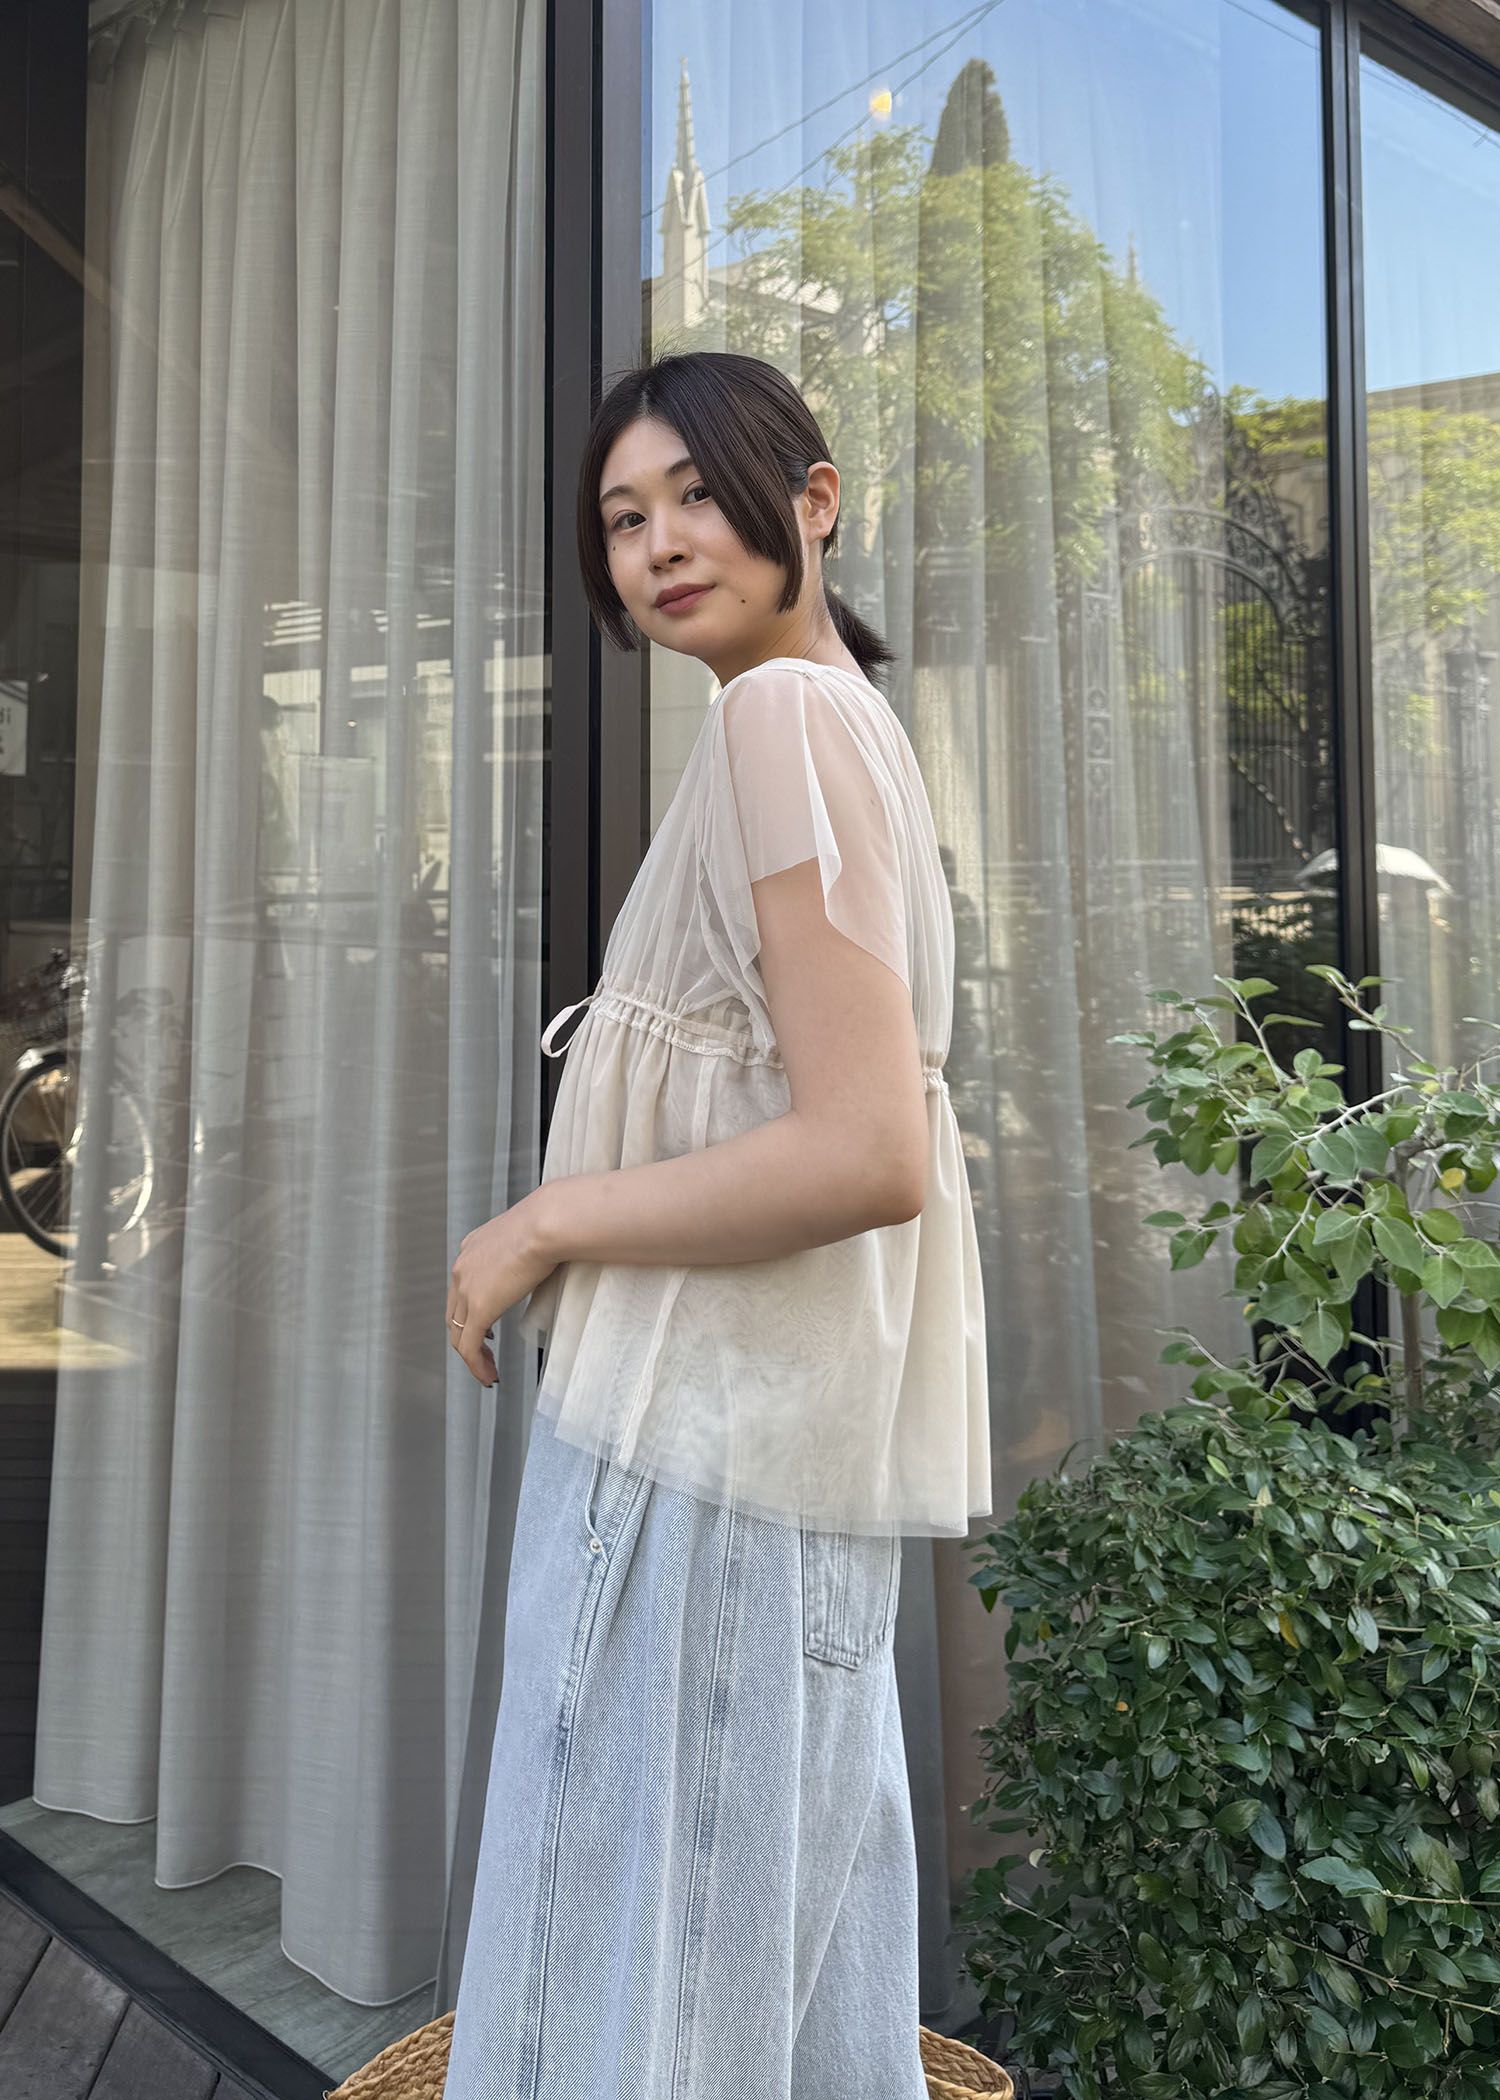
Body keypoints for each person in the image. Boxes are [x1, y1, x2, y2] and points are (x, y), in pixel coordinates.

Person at [440, 350, 990, 2099]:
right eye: (623, 517)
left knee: (619, 1993)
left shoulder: (780, 722)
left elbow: (865, 1151)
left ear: (813, 502)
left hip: (709, 1443)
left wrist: (548, 1220)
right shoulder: (834, 718)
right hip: (774, 1451)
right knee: (767, 1980)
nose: (660, 543)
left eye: (694, 494)